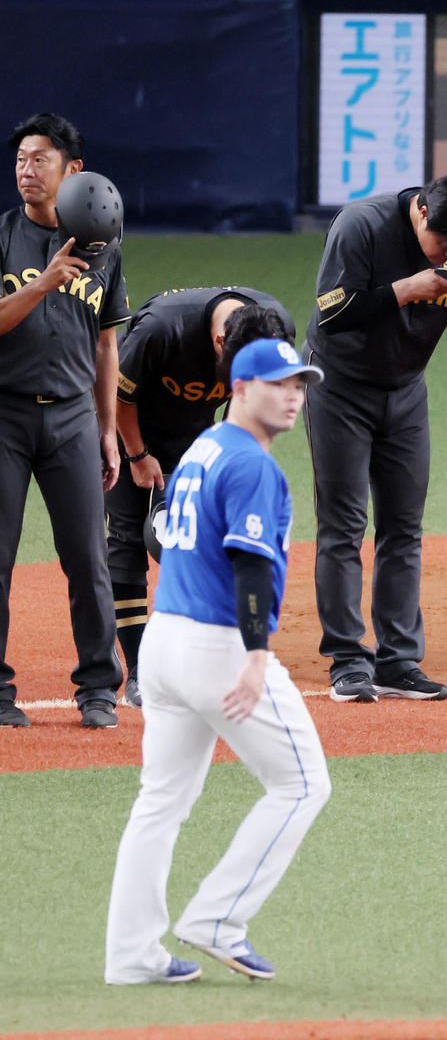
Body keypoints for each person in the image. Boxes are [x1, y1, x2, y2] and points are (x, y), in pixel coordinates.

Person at [104, 338, 331, 985]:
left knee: (161, 801)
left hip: (163, 644)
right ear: (241, 388)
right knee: (303, 784)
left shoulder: (202, 449)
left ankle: (131, 954)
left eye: (299, 385)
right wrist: (257, 655)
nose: (292, 396)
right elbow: (250, 565)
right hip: (217, 645)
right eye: (278, 383)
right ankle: (218, 919)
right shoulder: (251, 465)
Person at [303, 173, 447, 704]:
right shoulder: (362, 225)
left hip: (405, 391)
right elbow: (332, 312)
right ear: (422, 211)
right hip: (340, 387)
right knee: (344, 525)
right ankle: (348, 660)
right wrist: (406, 289)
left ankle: (398, 660)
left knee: (403, 527)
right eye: (446, 244)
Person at [0, 112, 129, 729]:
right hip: (5, 416)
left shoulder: (104, 241)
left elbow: (107, 344)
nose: (26, 170)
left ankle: (99, 687)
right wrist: (42, 284)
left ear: (73, 170)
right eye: (20, 159)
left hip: (74, 418)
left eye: (40, 159)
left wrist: (108, 429)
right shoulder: (3, 236)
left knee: (87, 558)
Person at [110, 292, 293, 708]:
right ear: (219, 342)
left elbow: (255, 398)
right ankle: (140, 671)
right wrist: (137, 456)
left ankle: (204, 656)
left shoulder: (273, 327)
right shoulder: (162, 329)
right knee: (126, 541)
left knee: (205, 542)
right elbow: (119, 396)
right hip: (127, 430)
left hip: (196, 437)